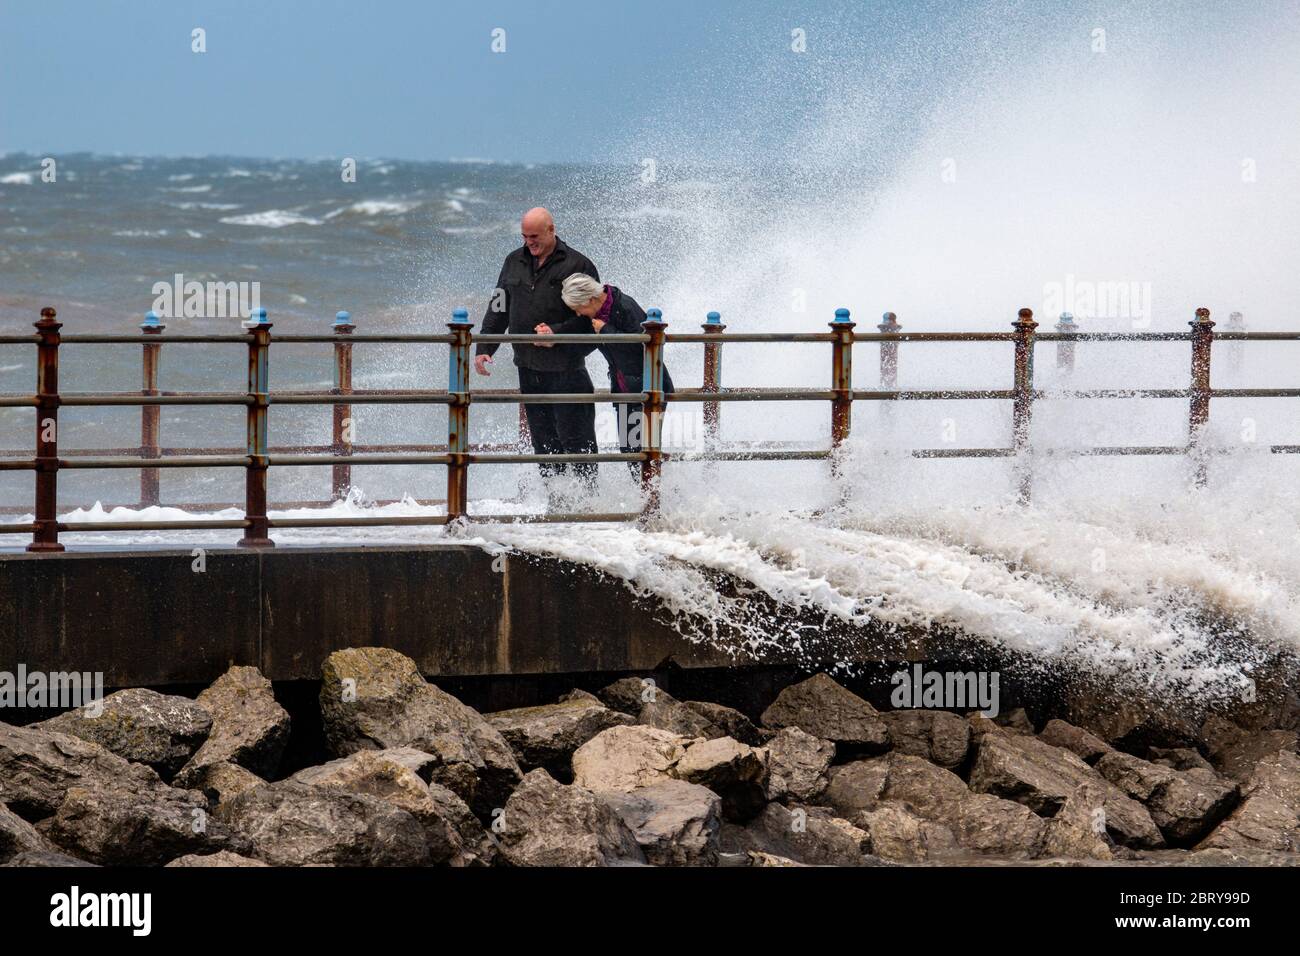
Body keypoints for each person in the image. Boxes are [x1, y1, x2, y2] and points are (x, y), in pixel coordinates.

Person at [474, 208, 600, 492]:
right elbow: (498, 307)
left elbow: (593, 319)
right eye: (525, 237)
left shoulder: (577, 264)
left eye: (535, 237)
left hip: (567, 368)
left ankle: (591, 505)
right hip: (528, 367)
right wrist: (485, 348)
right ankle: (556, 500)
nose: (529, 243)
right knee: (543, 440)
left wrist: (557, 334)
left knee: (576, 438)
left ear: (551, 230)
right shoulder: (513, 261)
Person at [553, 274, 674, 477]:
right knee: (630, 451)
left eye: (578, 307)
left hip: (648, 387)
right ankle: (651, 494)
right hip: (625, 387)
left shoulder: (623, 306)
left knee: (643, 449)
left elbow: (643, 342)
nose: (578, 313)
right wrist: (553, 341)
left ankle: (657, 497)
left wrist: (606, 330)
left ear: (590, 299)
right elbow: (590, 344)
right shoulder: (600, 314)